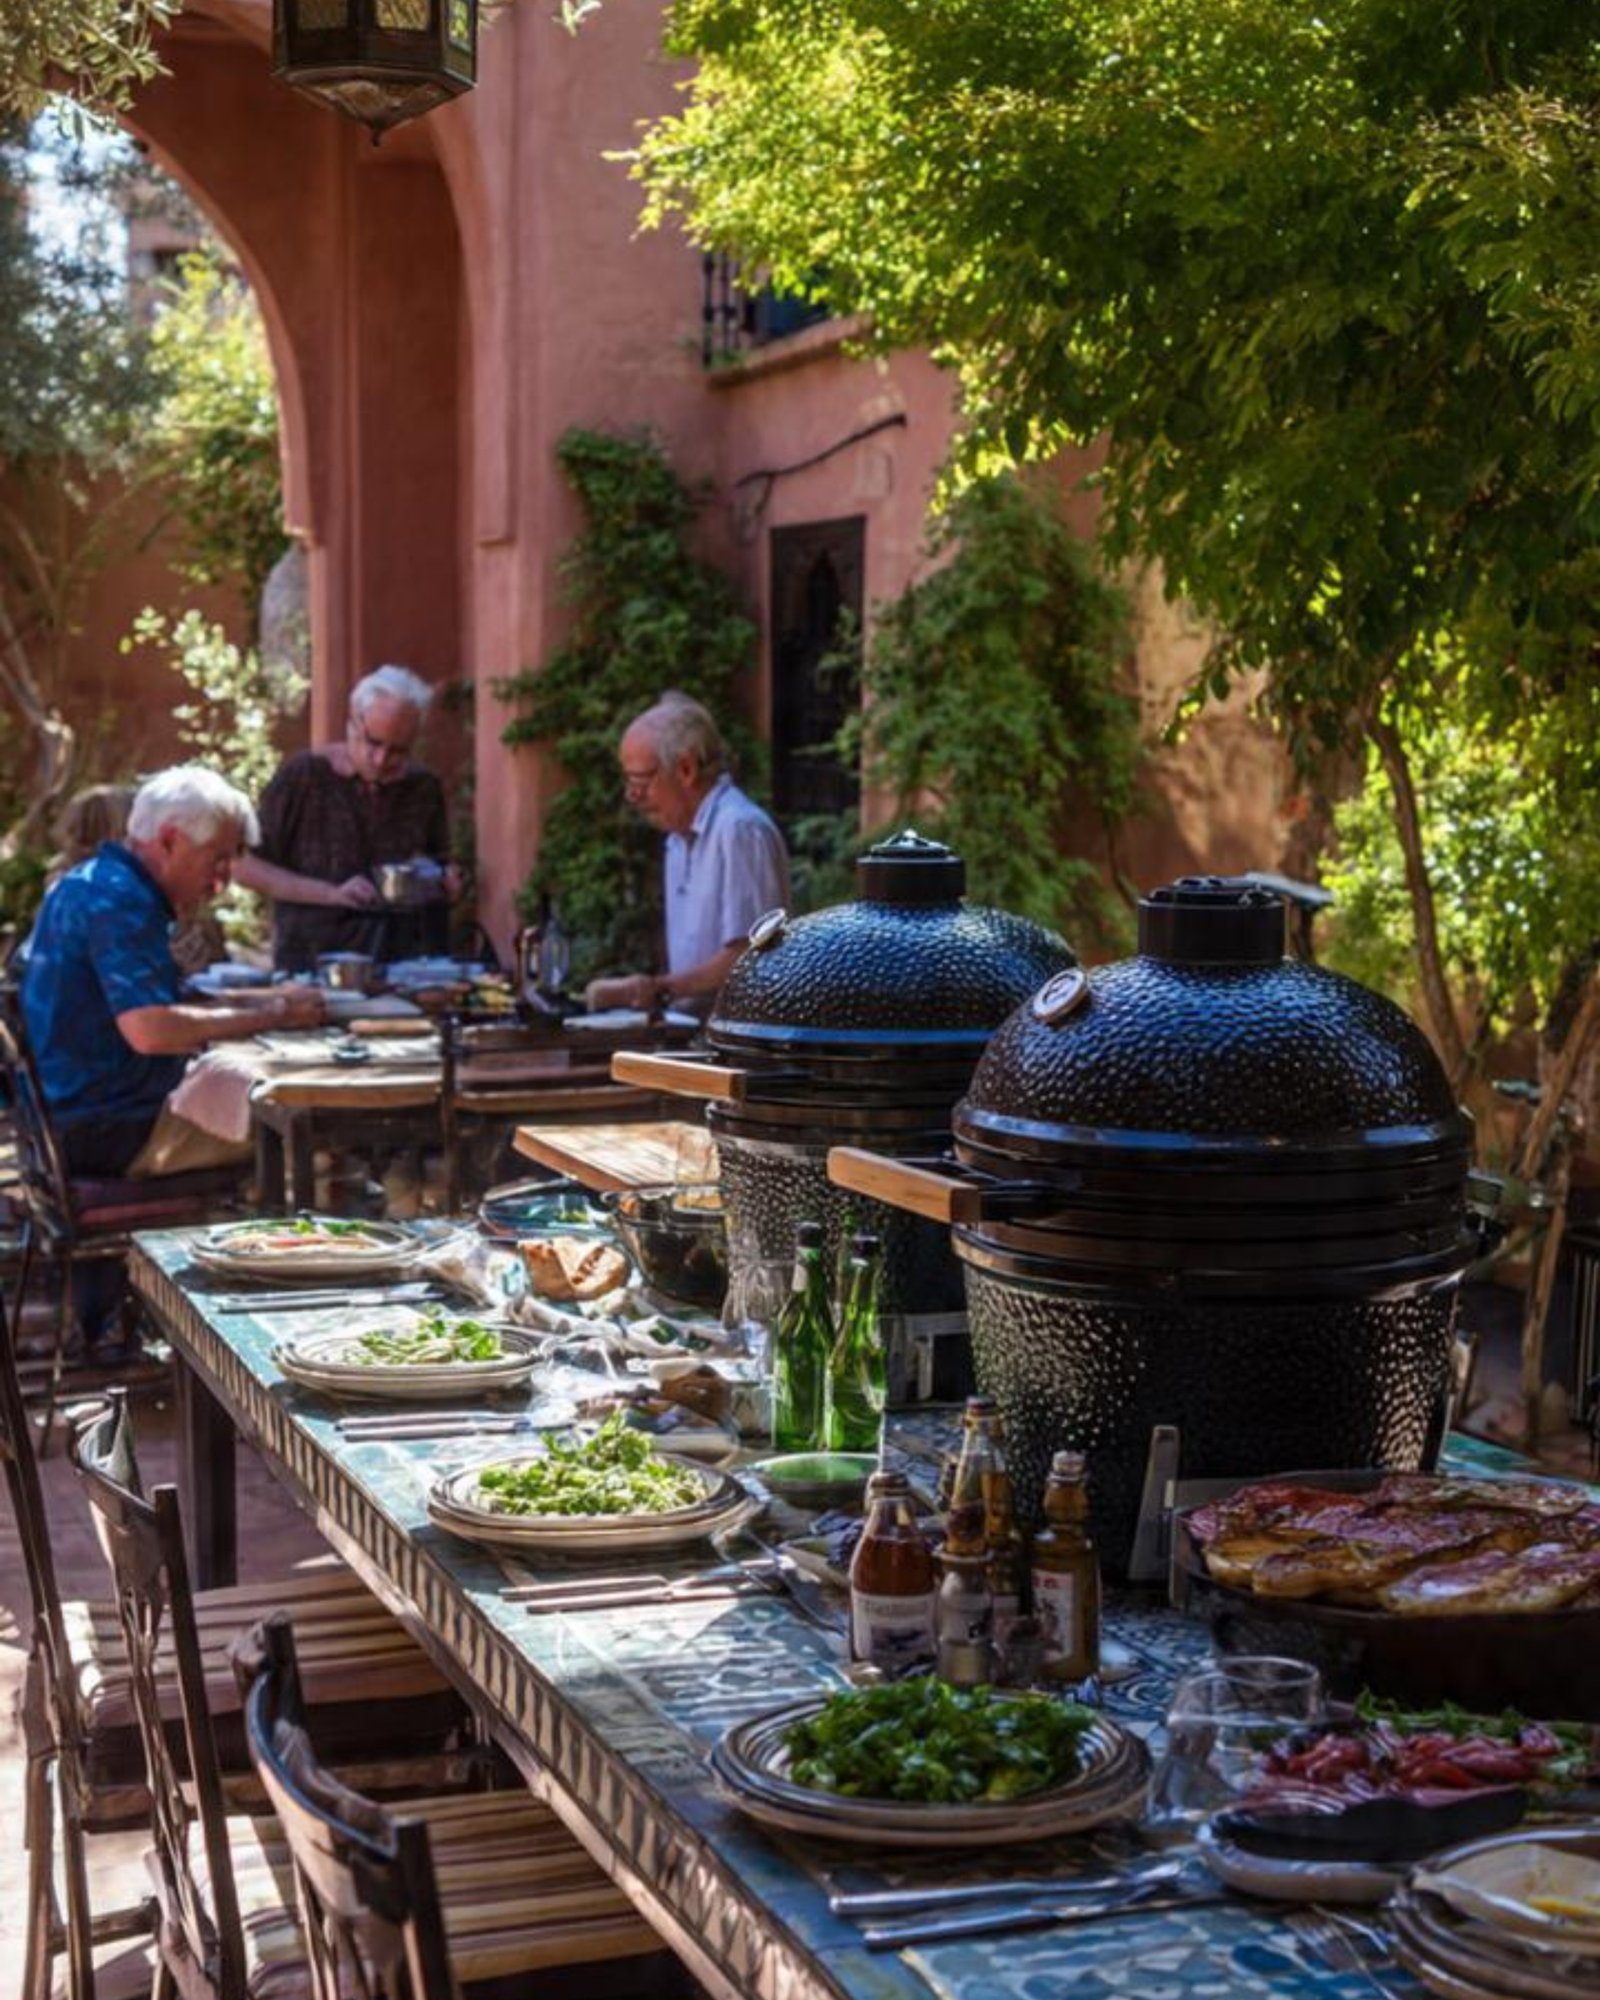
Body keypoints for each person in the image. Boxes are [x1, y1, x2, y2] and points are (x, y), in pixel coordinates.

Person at [19, 764, 328, 1182]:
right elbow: (151, 1029)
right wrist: (277, 1013)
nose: (223, 881)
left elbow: (158, 1003)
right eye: (218, 859)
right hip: (104, 1131)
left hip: (76, 1120)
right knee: (311, 1130)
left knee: (255, 1100)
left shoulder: (96, 882)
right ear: (168, 841)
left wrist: (262, 1003)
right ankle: (308, 1244)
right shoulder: (117, 900)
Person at [234, 664, 458, 972]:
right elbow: (243, 865)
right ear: (352, 723)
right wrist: (330, 894)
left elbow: (439, 864)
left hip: (400, 966)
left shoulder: (422, 787)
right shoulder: (303, 777)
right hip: (311, 965)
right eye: (373, 742)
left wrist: (445, 880)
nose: (381, 761)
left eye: (398, 752)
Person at [585, 694, 790, 1016]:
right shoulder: (678, 840)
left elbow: (753, 954)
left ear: (685, 769)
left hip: (741, 1040)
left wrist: (656, 989)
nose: (632, 797)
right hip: (696, 1034)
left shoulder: (739, 830)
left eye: (640, 782)